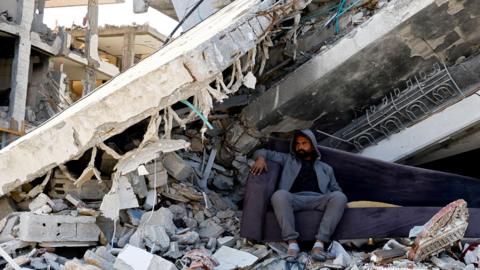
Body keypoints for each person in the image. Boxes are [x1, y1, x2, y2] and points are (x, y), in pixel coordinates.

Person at [250, 129, 347, 261]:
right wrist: (261, 159)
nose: (300, 147)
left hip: (318, 199)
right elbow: (261, 151)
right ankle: (292, 245)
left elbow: (336, 189)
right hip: (294, 198)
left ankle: (319, 245)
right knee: (279, 195)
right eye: (297, 144)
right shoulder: (287, 159)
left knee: (339, 197)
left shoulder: (326, 168)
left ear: (312, 145)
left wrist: (335, 198)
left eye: (304, 143)